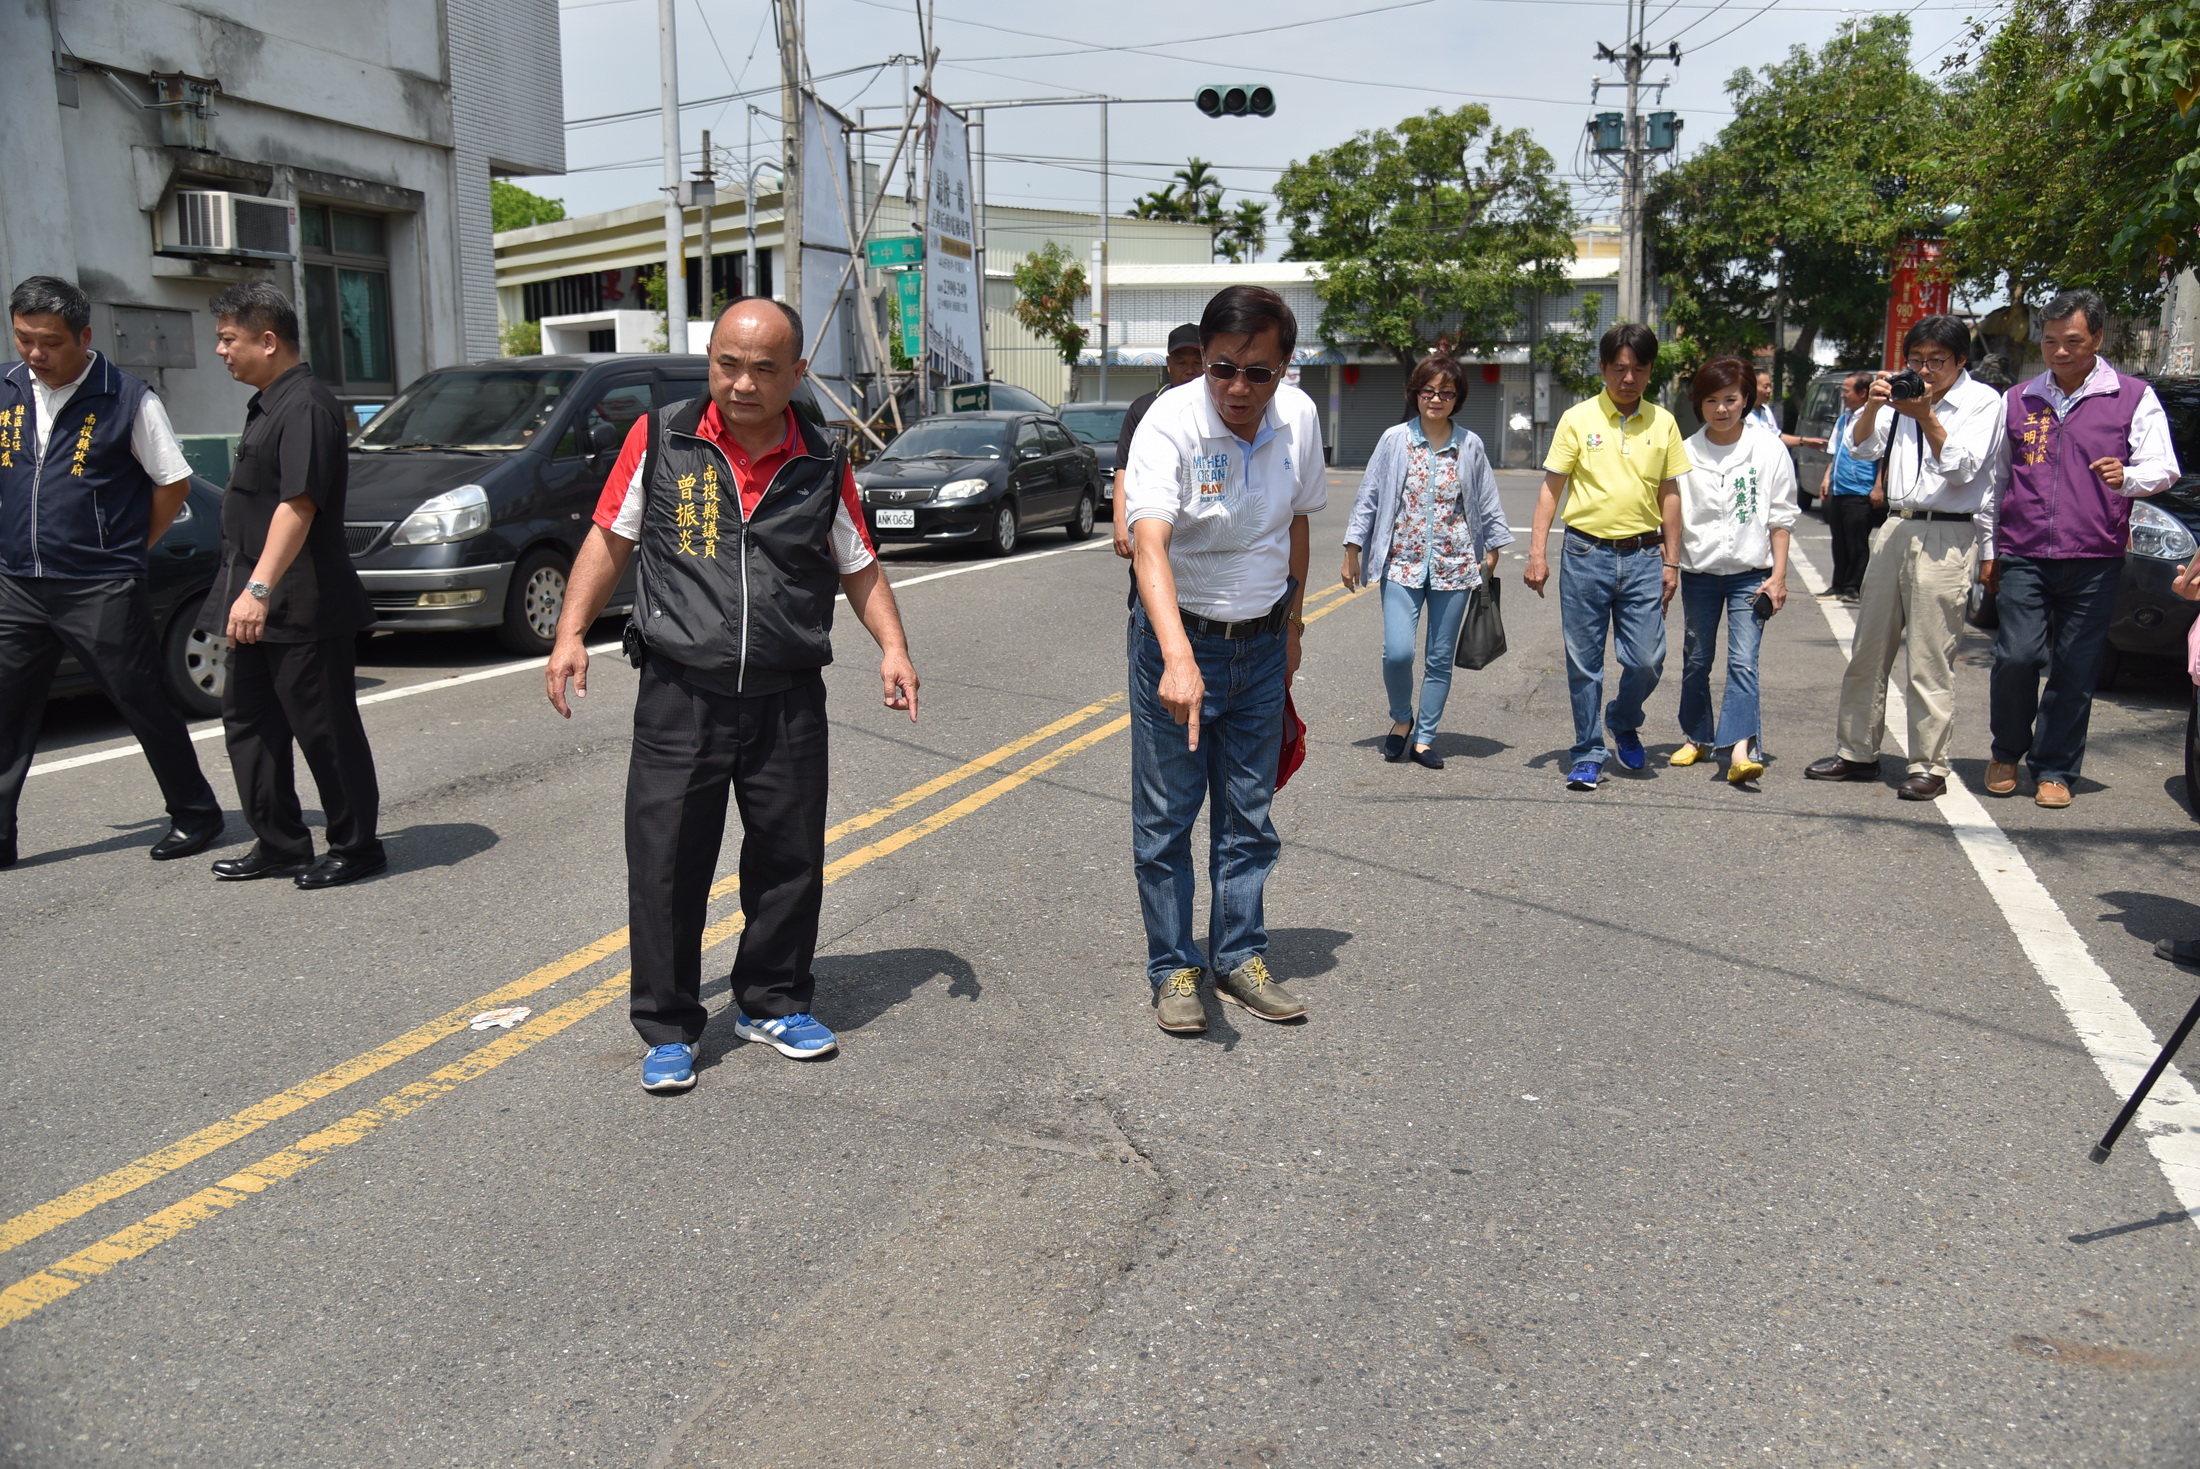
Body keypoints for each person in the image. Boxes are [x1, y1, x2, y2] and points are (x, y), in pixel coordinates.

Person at [546, 297, 918, 1094]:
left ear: (796, 374)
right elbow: (611, 536)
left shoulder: (823, 459)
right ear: (709, 358)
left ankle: (773, 999)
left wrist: (893, 646)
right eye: (727, 363)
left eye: (762, 369)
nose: (741, 383)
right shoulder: (663, 438)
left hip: (786, 694)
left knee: (789, 857)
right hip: (681, 693)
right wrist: (570, 630)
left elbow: (858, 561)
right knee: (667, 862)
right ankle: (669, 1024)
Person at [1122, 285, 1325, 1035]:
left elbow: (1298, 525)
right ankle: (1174, 966)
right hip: (1180, 643)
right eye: (1222, 368)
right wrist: (1177, 655)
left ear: (1286, 368)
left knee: (1249, 814)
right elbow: (1148, 542)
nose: (1238, 388)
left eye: (1258, 372)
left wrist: (1295, 620)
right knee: (1168, 817)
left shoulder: (1300, 420)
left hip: (1263, 643)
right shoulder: (1169, 422)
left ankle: (1239, 956)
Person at [0, 275, 224, 871]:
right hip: (18, 581)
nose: (34, 354)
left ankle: (195, 814)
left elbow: (173, 483)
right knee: (6, 709)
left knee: (142, 701)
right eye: (23, 338)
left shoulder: (126, 398)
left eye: (49, 342)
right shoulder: (6, 390)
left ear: (84, 336)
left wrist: (125, 549)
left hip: (98, 584)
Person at [199, 281, 383, 887]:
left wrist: (258, 588)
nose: (221, 350)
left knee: (324, 729)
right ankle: (279, 842)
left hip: (300, 603)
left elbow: (298, 504)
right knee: (248, 723)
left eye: (229, 338)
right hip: (256, 603)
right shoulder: (269, 402)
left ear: (268, 339)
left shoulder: (305, 404)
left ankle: (356, 847)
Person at [1976, 288, 2180, 809]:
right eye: (2049, 342)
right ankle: (2006, 751)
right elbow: (1996, 480)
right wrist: (1988, 546)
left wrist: (2127, 477)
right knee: (2017, 655)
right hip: (2024, 551)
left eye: (2072, 341)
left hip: (2094, 556)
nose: (2060, 352)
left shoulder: (2133, 396)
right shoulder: (2018, 399)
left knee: (2074, 667)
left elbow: (2164, 468)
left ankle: (2055, 768)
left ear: (2097, 338)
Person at [1805, 314, 2010, 801]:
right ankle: (1856, 753)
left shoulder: (1983, 402)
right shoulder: (1900, 393)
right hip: (1895, 523)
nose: (1925, 370)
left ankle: (1928, 765)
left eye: (1936, 361)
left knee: (1929, 656)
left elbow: (1962, 470)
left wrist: (1925, 414)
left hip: (1947, 532)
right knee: (1868, 649)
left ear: (1961, 360)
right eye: (1916, 360)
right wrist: (1877, 407)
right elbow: (1858, 448)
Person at [1523, 323, 1690, 792]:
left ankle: (1622, 718)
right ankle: (1587, 751)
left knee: (1646, 659)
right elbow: (1550, 488)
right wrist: (1537, 553)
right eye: (1619, 368)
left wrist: (1672, 561)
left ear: (1650, 371)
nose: (1629, 378)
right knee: (1584, 663)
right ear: (1602, 368)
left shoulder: (1664, 422)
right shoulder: (1577, 419)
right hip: (1585, 552)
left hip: (1643, 557)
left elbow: (1671, 495)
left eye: (1639, 369)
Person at [1338, 355, 1511, 769]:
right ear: (1415, 394)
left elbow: (1486, 501)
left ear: (1457, 398)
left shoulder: (1470, 445)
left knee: (1438, 657)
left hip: (1455, 564)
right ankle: (1402, 719)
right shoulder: (1394, 440)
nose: (1436, 399)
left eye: (1446, 393)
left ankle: (1425, 736)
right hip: (1401, 562)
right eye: (1428, 391)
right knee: (1397, 651)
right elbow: (1370, 496)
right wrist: (1352, 549)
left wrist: (1493, 548)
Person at [1668, 357, 1797, 784]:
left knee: (1743, 660)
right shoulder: (1684, 452)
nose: (1721, 409)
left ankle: (1741, 748)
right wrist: (1669, 565)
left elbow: (1781, 518)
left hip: (1750, 573)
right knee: (1696, 659)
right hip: (1700, 574)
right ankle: (1697, 737)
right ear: (1698, 404)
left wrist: (1778, 578)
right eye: (1711, 400)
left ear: (1746, 399)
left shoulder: (1768, 448)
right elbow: (1672, 517)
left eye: (1730, 399)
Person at [1112, 323, 1204, 560]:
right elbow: (1124, 468)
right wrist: (1119, 522)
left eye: (1197, 362)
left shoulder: (1224, 409)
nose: (1190, 369)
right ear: (1168, 363)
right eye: (1182, 362)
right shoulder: (1144, 408)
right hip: (1153, 525)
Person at [1818, 371, 1884, 601]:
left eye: (1847, 391)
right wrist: (1827, 478)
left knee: (1857, 543)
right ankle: (1837, 584)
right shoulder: (1843, 418)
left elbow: (1883, 456)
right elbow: (1835, 452)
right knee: (1839, 540)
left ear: (1863, 392)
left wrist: (1878, 486)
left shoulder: (1874, 417)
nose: (1843, 395)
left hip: (1861, 490)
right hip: (1840, 488)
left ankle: (1853, 587)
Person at [1751, 368, 1827, 453]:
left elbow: (1777, 437)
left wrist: (1804, 441)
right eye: (1765, 387)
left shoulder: (1766, 411)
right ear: (1752, 387)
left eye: (1770, 386)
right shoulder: (1741, 413)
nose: (1769, 390)